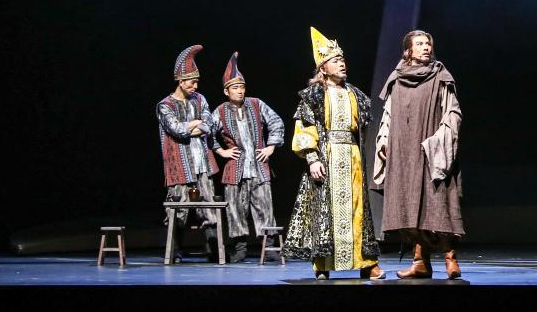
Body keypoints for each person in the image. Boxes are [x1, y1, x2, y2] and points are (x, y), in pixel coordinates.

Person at [283, 28, 383, 280]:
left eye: (343, 59)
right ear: (323, 68)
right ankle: (323, 264)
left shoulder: (355, 94)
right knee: (325, 212)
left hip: (352, 157)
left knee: (358, 210)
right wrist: (312, 158)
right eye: (336, 60)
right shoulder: (313, 96)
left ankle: (367, 263)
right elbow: (304, 128)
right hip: (327, 156)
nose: (342, 63)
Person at [372, 30, 464, 279]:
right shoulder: (397, 78)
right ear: (408, 50)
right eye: (420, 44)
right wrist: (384, 140)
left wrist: (440, 140)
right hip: (404, 151)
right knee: (410, 206)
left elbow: (453, 112)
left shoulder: (440, 75)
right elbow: (388, 113)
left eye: (428, 44)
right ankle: (420, 262)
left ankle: (450, 258)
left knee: (437, 202)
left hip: (431, 149)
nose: (426, 47)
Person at [212, 52, 285, 263]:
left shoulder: (256, 104)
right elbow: (207, 133)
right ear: (226, 91)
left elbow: (276, 122)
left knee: (264, 207)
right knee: (235, 209)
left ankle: (269, 247)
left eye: (242, 87)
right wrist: (221, 151)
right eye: (235, 87)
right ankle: (239, 248)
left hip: (259, 167)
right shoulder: (220, 111)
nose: (240, 90)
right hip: (235, 169)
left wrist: (271, 146)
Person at [156, 44, 220, 262]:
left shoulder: (200, 100)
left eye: (197, 82)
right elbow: (177, 129)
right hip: (180, 164)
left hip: (202, 162)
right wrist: (194, 123)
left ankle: (214, 249)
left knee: (208, 206)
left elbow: (209, 124)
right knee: (178, 209)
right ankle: (173, 251)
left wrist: (194, 125)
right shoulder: (165, 105)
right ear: (181, 81)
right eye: (192, 82)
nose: (195, 86)